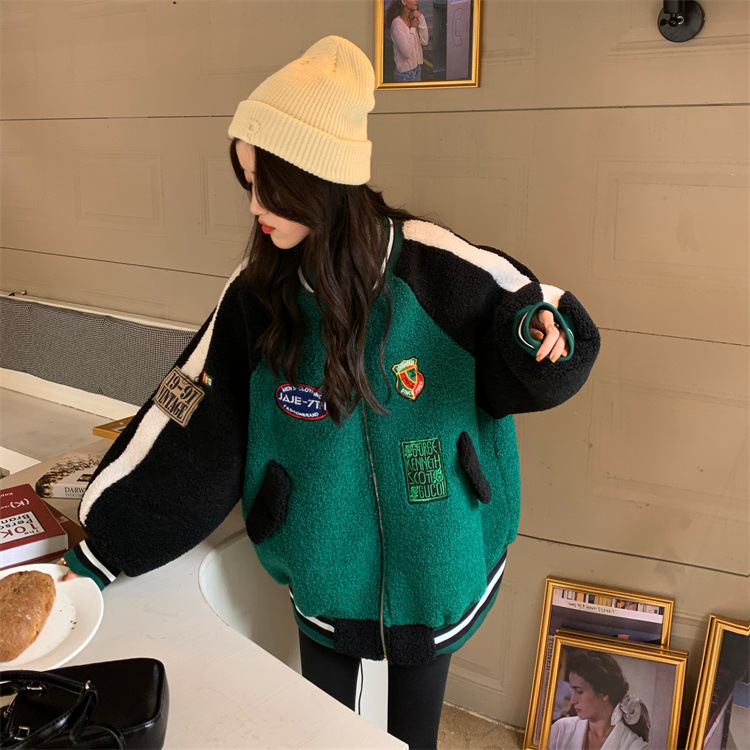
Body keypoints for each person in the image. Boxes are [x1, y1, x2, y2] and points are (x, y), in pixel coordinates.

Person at [61, 36, 600, 749]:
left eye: (270, 187)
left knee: (413, 739)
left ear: (320, 179)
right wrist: (105, 545)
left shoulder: (438, 267)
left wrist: (543, 336)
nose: (255, 206)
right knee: (322, 732)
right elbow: (191, 418)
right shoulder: (258, 293)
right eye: (247, 183)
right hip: (321, 560)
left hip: (439, 553)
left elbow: (530, 312)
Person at [549, 650, 651, 750]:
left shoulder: (633, 745)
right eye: (572, 691)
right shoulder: (561, 730)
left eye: (579, 691)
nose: (572, 701)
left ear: (604, 692)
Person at [387, 0, 428, 82]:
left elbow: (425, 41)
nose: (416, 0)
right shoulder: (397, 23)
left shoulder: (413, 19)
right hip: (405, 74)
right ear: (404, 2)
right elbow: (407, 53)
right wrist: (413, 28)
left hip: (417, 69)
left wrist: (421, 18)